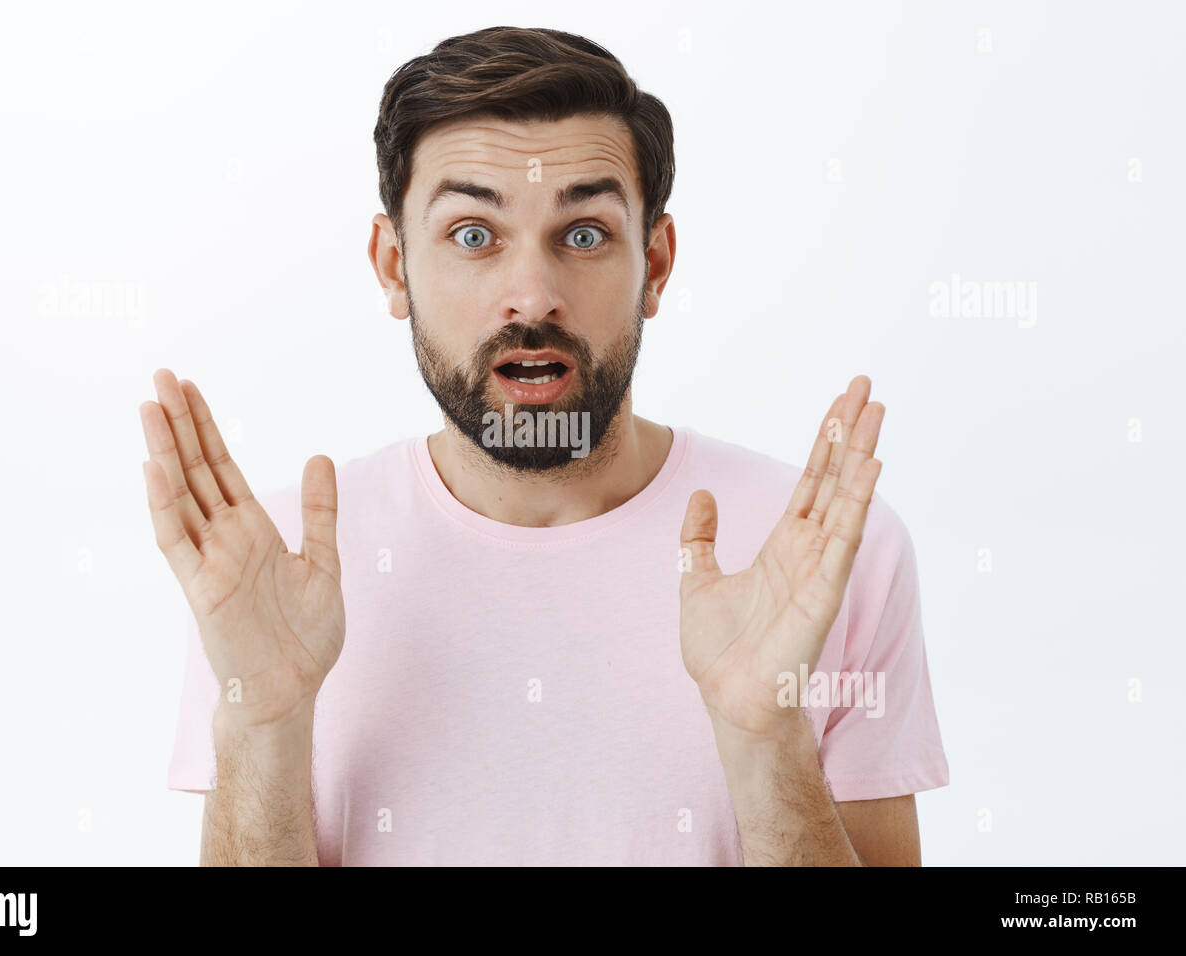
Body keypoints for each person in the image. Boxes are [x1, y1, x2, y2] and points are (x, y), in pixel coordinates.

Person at [141, 25, 949, 866]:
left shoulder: (824, 555)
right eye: (473, 235)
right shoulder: (273, 569)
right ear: (393, 265)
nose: (532, 296)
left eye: (586, 234)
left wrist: (766, 736)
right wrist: (264, 726)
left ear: (657, 264)